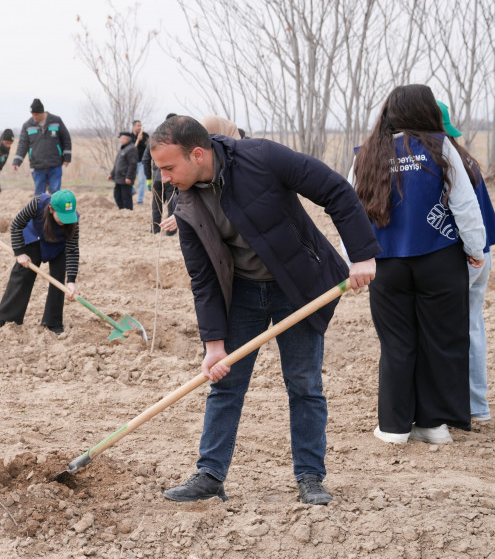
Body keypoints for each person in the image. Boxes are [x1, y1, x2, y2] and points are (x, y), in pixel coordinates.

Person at [151, 116, 379, 506]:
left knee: (304, 384)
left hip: (299, 287)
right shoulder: (186, 205)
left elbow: (335, 190)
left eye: (169, 167)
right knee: (224, 384)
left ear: (198, 154)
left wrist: (362, 255)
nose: (165, 178)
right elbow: (203, 279)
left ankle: (310, 477)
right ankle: (210, 474)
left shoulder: (261, 157)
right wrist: (214, 344)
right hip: (240, 295)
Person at [349, 85, 486, 446]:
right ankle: (433, 424)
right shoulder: (441, 147)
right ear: (427, 111)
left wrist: (356, 259)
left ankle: (394, 427)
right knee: (439, 340)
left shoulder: (365, 155)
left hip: (385, 263)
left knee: (396, 343)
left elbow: (350, 212)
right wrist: (475, 247)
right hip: (439, 258)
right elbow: (464, 204)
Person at [437, 100, 495, 423]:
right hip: (483, 253)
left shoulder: (442, 164)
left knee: (444, 331)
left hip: (464, 255)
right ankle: (477, 405)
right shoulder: (467, 159)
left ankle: (449, 406)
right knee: (473, 326)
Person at [0, 190, 79, 334]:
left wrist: (71, 280)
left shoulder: (73, 220)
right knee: (22, 274)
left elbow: (72, 250)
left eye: (68, 218)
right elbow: (16, 225)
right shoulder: (37, 203)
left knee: (58, 279)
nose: (65, 221)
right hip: (35, 237)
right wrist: (20, 253)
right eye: (62, 217)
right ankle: (7, 318)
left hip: (59, 245)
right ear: (51, 209)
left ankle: (53, 322)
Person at [12, 98, 72, 194]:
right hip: (37, 166)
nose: (34, 117)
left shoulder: (56, 121)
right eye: (32, 114)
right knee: (39, 195)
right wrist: (17, 161)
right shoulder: (27, 125)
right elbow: (22, 144)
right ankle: (40, 209)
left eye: (36, 114)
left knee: (55, 192)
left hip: (55, 164)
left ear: (42, 112)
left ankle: (54, 209)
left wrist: (67, 158)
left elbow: (66, 139)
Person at [145, 112, 179, 234]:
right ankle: (170, 231)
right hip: (171, 178)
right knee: (172, 205)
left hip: (156, 179)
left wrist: (149, 178)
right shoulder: (177, 138)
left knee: (156, 206)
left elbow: (145, 159)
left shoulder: (155, 138)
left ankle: (155, 230)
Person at [109, 131, 138, 210]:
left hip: (125, 178)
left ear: (126, 139)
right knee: (117, 196)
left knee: (126, 197)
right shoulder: (122, 148)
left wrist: (129, 177)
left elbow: (132, 165)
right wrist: (112, 174)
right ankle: (121, 210)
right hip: (118, 178)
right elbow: (117, 163)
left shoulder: (132, 149)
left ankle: (128, 211)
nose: (120, 140)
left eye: (121, 138)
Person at [133, 120, 150, 205]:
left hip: (141, 162)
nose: (139, 127)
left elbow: (148, 148)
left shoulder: (145, 135)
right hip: (131, 163)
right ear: (133, 127)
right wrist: (136, 139)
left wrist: (141, 140)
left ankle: (140, 200)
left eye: (140, 125)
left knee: (141, 181)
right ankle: (130, 194)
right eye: (138, 126)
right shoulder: (130, 136)